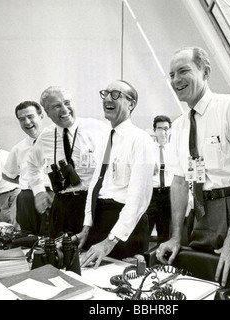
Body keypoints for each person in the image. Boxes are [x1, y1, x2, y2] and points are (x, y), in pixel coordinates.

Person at [156, 47, 230, 286]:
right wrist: (176, 236)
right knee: (206, 284)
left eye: (183, 71)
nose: (176, 79)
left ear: (205, 72)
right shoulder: (179, 126)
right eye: (171, 74)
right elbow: (179, 182)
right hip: (203, 213)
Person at [77, 80, 155, 268]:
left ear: (131, 104)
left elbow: (138, 199)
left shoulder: (140, 140)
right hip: (100, 220)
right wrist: (87, 227)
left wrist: (110, 241)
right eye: (106, 93)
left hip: (125, 228)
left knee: (120, 285)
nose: (107, 99)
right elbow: (96, 186)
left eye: (116, 94)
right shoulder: (105, 139)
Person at [27, 86, 109, 239]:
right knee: (60, 251)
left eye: (67, 103)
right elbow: (31, 165)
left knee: (90, 254)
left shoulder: (96, 128)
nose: (64, 109)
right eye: (57, 106)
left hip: (92, 203)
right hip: (62, 205)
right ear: (47, 112)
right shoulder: (46, 136)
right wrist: (38, 191)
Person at [2, 100, 49, 235]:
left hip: (51, 196)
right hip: (27, 199)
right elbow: (7, 174)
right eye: (22, 119)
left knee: (52, 240)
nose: (27, 122)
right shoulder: (18, 148)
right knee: (28, 238)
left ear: (41, 116)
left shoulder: (56, 141)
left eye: (30, 117)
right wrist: (26, 182)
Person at [146, 115, 174, 245]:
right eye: (160, 128)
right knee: (146, 229)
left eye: (166, 128)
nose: (164, 132)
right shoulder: (147, 149)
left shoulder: (175, 150)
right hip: (152, 193)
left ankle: (163, 263)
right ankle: (144, 261)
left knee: (165, 232)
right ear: (154, 130)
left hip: (168, 193)